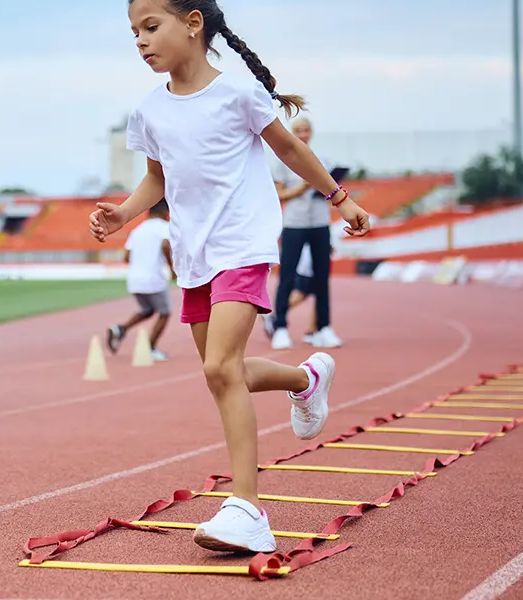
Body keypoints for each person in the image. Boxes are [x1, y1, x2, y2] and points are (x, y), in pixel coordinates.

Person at [90, 0, 370, 555]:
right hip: (193, 255)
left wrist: (339, 199)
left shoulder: (239, 93)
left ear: (193, 23)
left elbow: (288, 147)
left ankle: (248, 509)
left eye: (151, 26)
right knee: (228, 371)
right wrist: (124, 213)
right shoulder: (148, 112)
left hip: (242, 244)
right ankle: (305, 381)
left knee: (220, 369)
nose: (141, 41)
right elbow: (156, 181)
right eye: (133, 33)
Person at [269, 117, 341, 350]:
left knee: (322, 276)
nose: (302, 134)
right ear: (292, 132)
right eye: (298, 130)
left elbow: (332, 188)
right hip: (294, 223)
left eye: (306, 130)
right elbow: (278, 195)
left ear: (312, 132)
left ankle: (323, 327)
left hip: (320, 222)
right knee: (287, 276)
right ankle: (279, 326)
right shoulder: (282, 160)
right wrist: (300, 189)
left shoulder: (323, 160)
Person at [107, 199, 177, 361]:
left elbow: (126, 257)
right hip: (153, 279)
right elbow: (166, 246)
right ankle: (150, 348)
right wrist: (172, 269)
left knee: (148, 310)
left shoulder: (137, 231)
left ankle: (120, 329)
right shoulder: (164, 228)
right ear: (164, 212)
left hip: (135, 280)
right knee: (165, 313)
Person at [262, 242, 320, 344]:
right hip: (309, 261)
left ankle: (313, 329)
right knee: (304, 293)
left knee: (311, 293)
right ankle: (276, 316)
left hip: (310, 257)